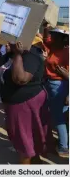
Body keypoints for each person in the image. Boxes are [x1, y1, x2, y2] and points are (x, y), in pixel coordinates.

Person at [0, 39, 53, 164]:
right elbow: (1, 66)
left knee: (25, 141)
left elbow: (20, 79)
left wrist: (18, 54)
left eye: (10, 42)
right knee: (29, 138)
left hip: (26, 104)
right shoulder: (11, 54)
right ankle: (35, 160)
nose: (7, 44)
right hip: (17, 103)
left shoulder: (31, 56)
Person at [43, 24, 69, 157]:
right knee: (61, 116)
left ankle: (64, 147)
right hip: (52, 84)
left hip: (60, 86)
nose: (51, 37)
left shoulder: (67, 53)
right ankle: (64, 143)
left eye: (55, 35)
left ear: (63, 38)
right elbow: (45, 38)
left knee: (58, 117)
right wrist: (47, 27)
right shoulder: (53, 45)